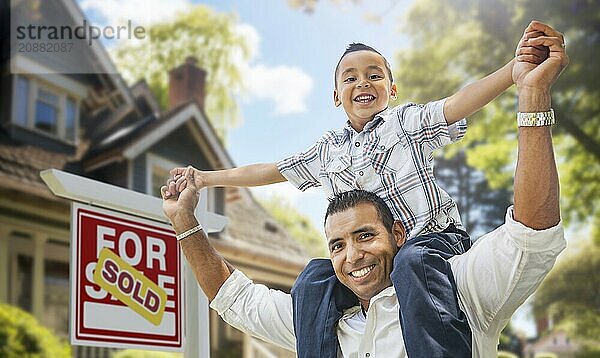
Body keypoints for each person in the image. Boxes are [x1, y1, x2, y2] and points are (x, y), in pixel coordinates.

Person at [162, 20, 569, 358]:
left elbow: (459, 102)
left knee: (410, 262)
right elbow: (268, 171)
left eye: (375, 75)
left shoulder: (405, 123)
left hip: (431, 247)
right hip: (390, 261)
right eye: (350, 77)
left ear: (392, 90)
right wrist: (204, 178)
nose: (364, 83)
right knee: (312, 279)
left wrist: (515, 76)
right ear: (335, 96)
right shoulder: (327, 150)